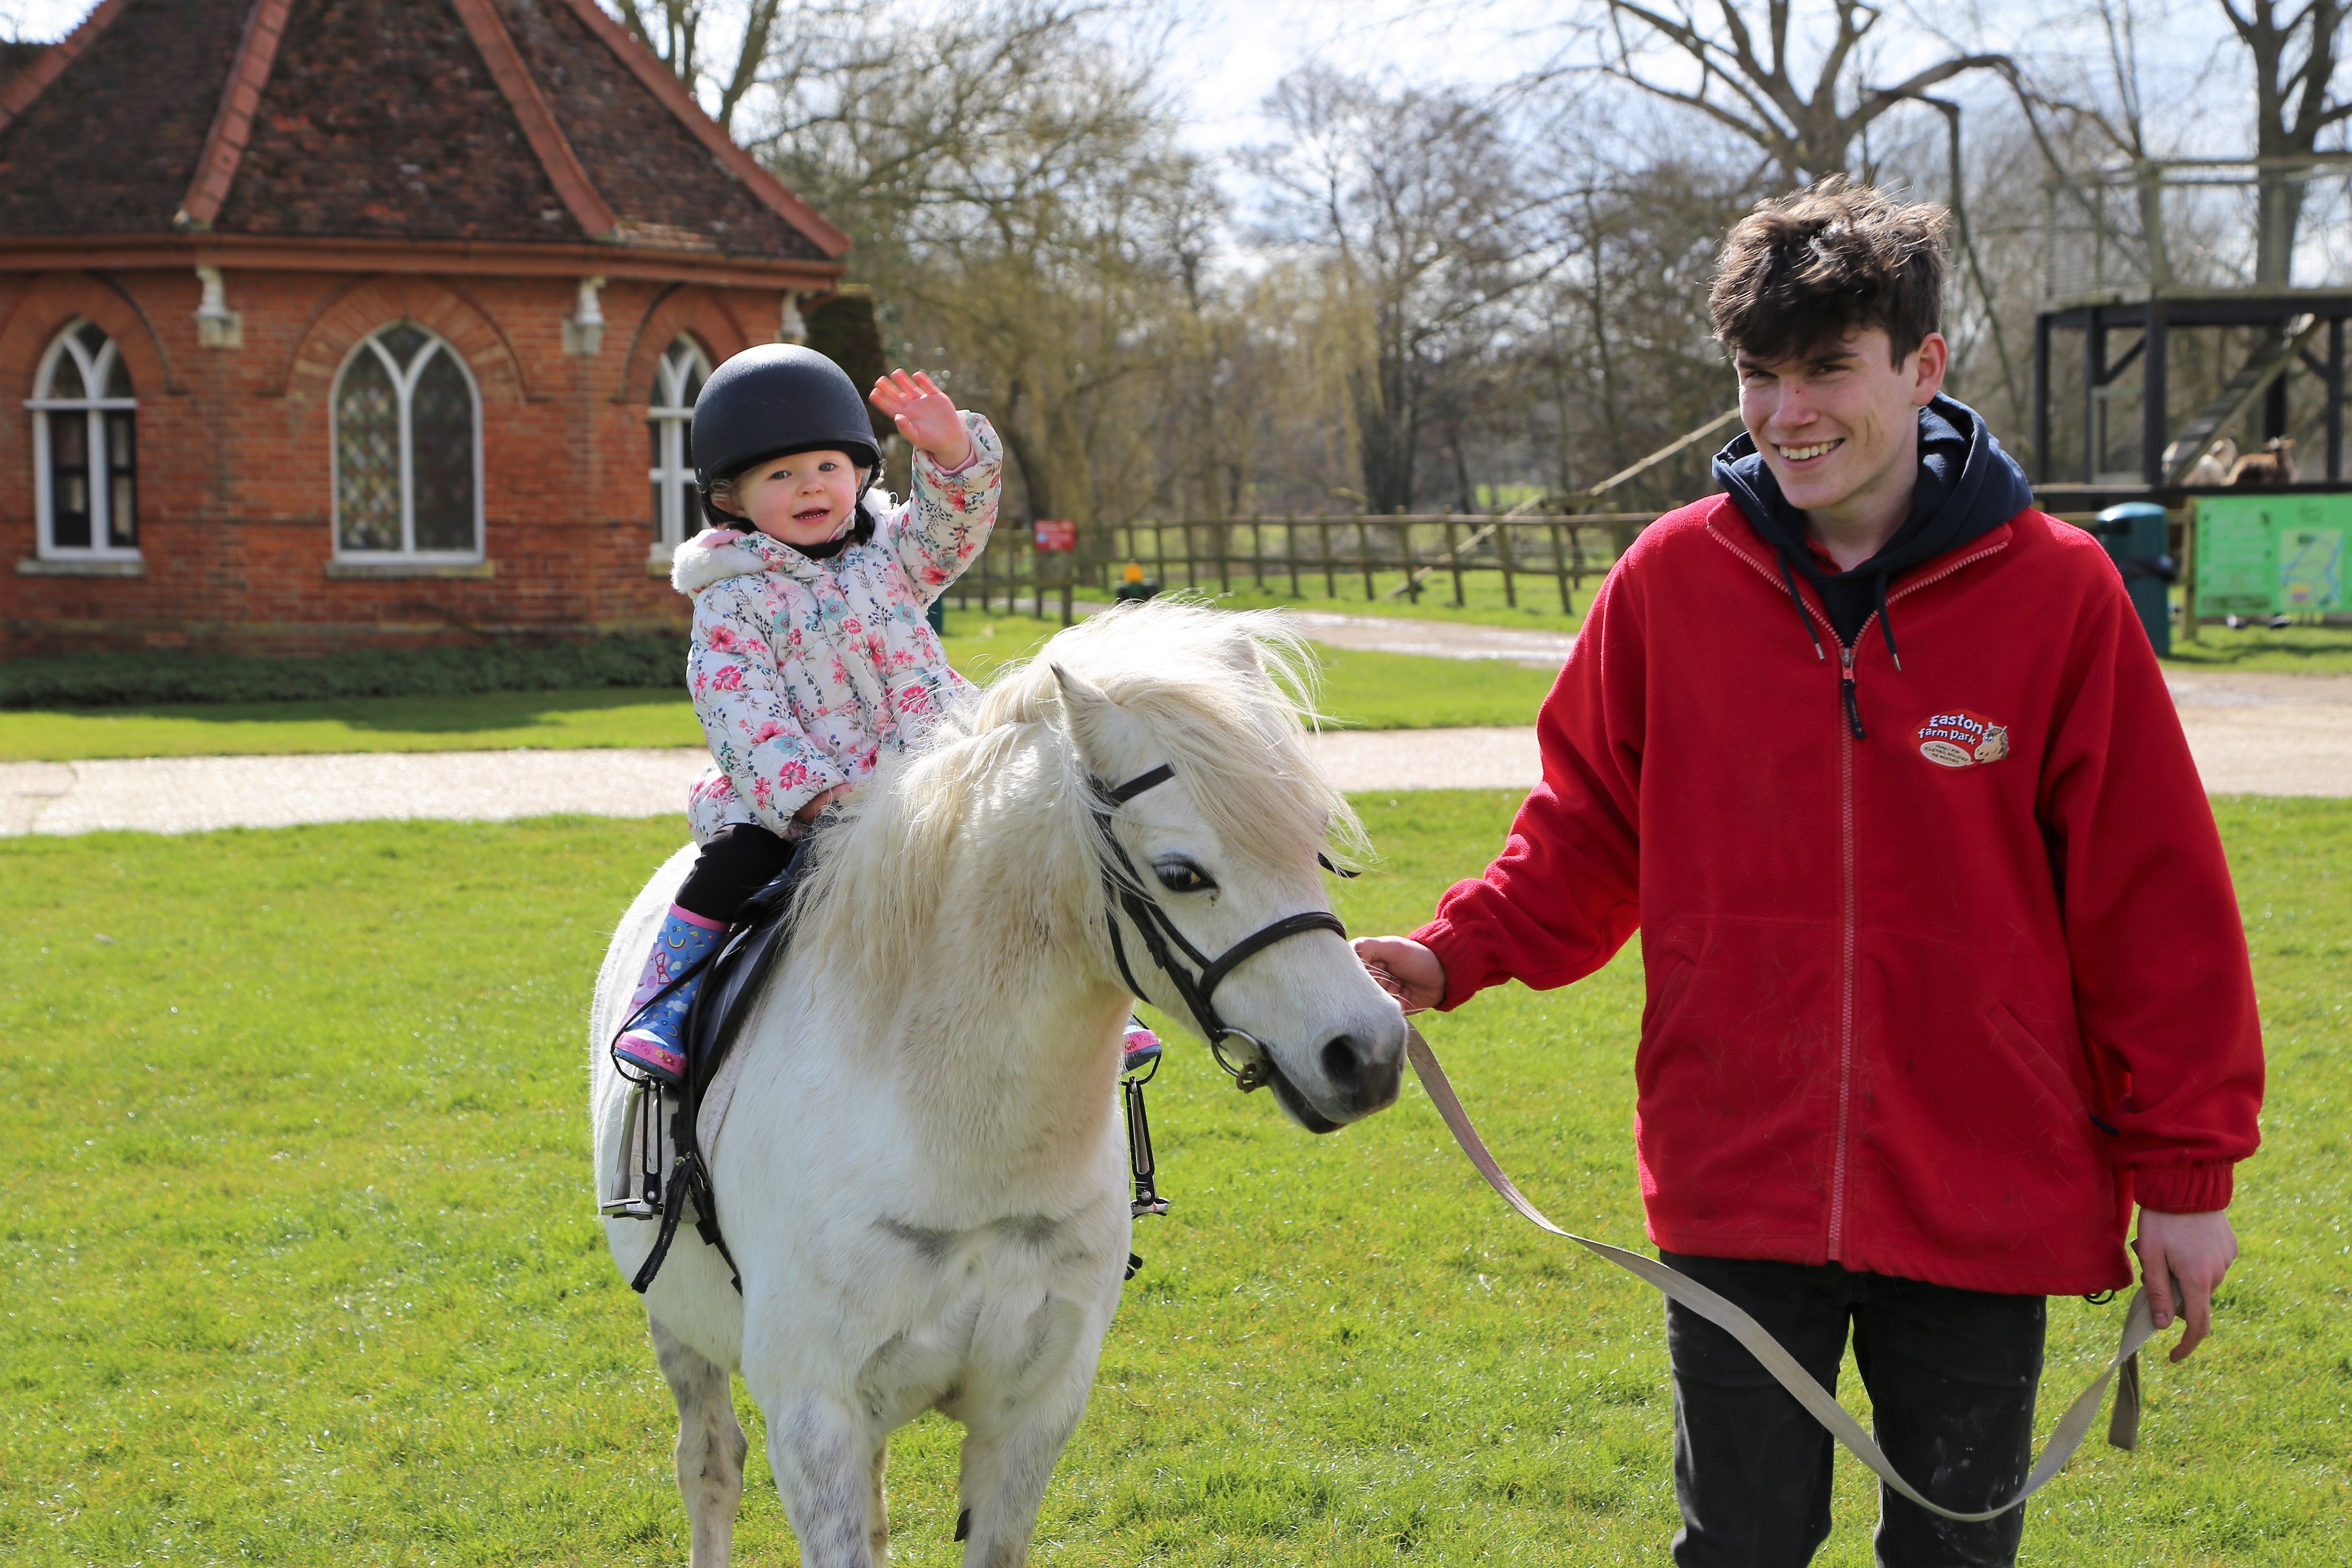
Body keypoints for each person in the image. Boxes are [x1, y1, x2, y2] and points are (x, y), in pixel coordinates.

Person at [1353, 180, 2264, 1566]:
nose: (1788, 413)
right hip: (1737, 1171)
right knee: (1738, 1549)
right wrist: (1449, 952)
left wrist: (2188, 1180)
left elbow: (2155, 905)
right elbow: (1586, 829)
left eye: (1829, 368)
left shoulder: (2060, 593)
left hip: (1985, 1182)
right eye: (1758, 374)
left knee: (1955, 1555)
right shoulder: (1667, 583)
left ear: (1923, 366)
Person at [611, 347, 1001, 1086]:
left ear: (859, 474)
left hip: (931, 767)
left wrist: (955, 454)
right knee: (736, 862)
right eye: (781, 475)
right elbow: (741, 712)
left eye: (828, 466)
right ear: (732, 499)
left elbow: (953, 530)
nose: (812, 485)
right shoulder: (732, 599)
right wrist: (816, 795)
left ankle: (1091, 1009)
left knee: (1023, 836)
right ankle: (665, 999)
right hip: (805, 802)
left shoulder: (893, 555)